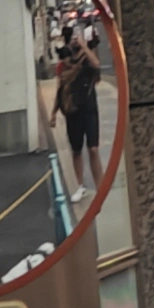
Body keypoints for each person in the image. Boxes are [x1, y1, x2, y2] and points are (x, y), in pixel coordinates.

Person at [53, 30, 102, 191]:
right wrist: (53, 112)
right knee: (76, 150)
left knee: (93, 149)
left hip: (89, 109)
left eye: (77, 39)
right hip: (73, 111)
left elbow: (96, 64)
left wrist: (84, 47)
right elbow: (60, 89)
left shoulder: (86, 60)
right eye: (73, 39)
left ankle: (100, 185)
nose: (75, 42)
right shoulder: (65, 62)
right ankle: (80, 185)